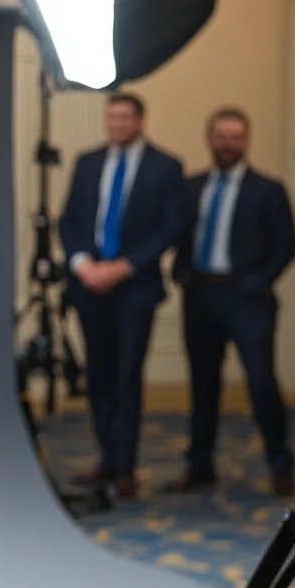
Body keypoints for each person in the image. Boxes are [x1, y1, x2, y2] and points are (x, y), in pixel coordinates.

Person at [59, 91, 184, 499]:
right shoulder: (88, 162)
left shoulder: (166, 167)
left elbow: (168, 229)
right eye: (110, 119)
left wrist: (124, 266)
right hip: (89, 284)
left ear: (140, 121)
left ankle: (126, 466)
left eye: (124, 119)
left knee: (128, 375)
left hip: (135, 287)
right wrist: (82, 264)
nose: (116, 126)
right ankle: (107, 458)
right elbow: (71, 220)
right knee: (98, 374)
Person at [169, 107, 295, 497]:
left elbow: (286, 246)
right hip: (201, 295)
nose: (228, 144)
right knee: (203, 385)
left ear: (247, 141)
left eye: (236, 137)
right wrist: (183, 273)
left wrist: (257, 282)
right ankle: (199, 465)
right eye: (221, 136)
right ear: (210, 139)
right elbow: (178, 235)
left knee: (260, 383)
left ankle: (280, 465)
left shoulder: (268, 189)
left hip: (248, 300)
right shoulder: (191, 187)